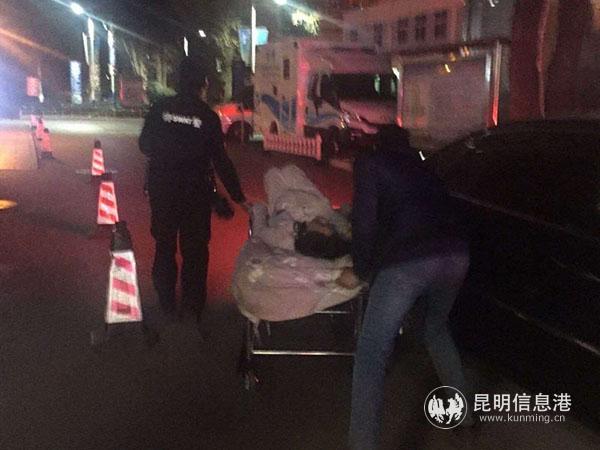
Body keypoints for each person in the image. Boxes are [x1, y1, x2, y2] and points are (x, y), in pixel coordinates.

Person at [347, 125, 471, 449]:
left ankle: (362, 445)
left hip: (410, 261)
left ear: (378, 144)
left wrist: (361, 270)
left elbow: (364, 222)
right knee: (435, 328)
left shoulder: (371, 163)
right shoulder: (425, 168)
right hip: (457, 255)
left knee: (371, 352)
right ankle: (465, 418)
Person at [139, 57, 249, 324]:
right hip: (195, 193)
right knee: (195, 251)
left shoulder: (159, 109)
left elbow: (144, 145)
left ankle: (166, 302)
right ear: (203, 84)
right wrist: (238, 196)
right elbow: (220, 160)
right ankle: (192, 307)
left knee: (164, 245)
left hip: (163, 189)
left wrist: (167, 151)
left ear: (177, 81)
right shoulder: (208, 117)